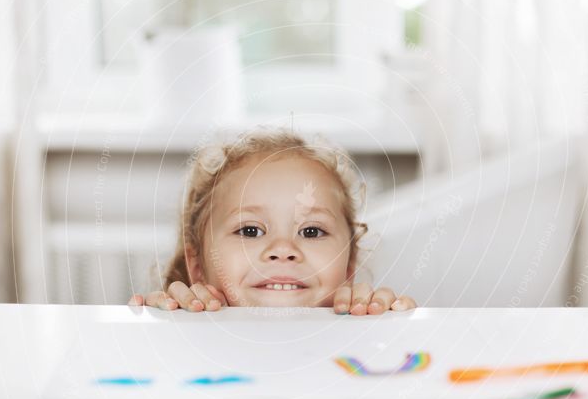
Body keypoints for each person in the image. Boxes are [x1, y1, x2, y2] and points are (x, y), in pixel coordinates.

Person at [128, 129, 416, 315]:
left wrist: (386, 325)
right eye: (250, 230)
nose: (282, 249)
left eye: (311, 231)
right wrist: (167, 320)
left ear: (349, 266)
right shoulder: (185, 328)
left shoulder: (364, 329)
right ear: (197, 266)